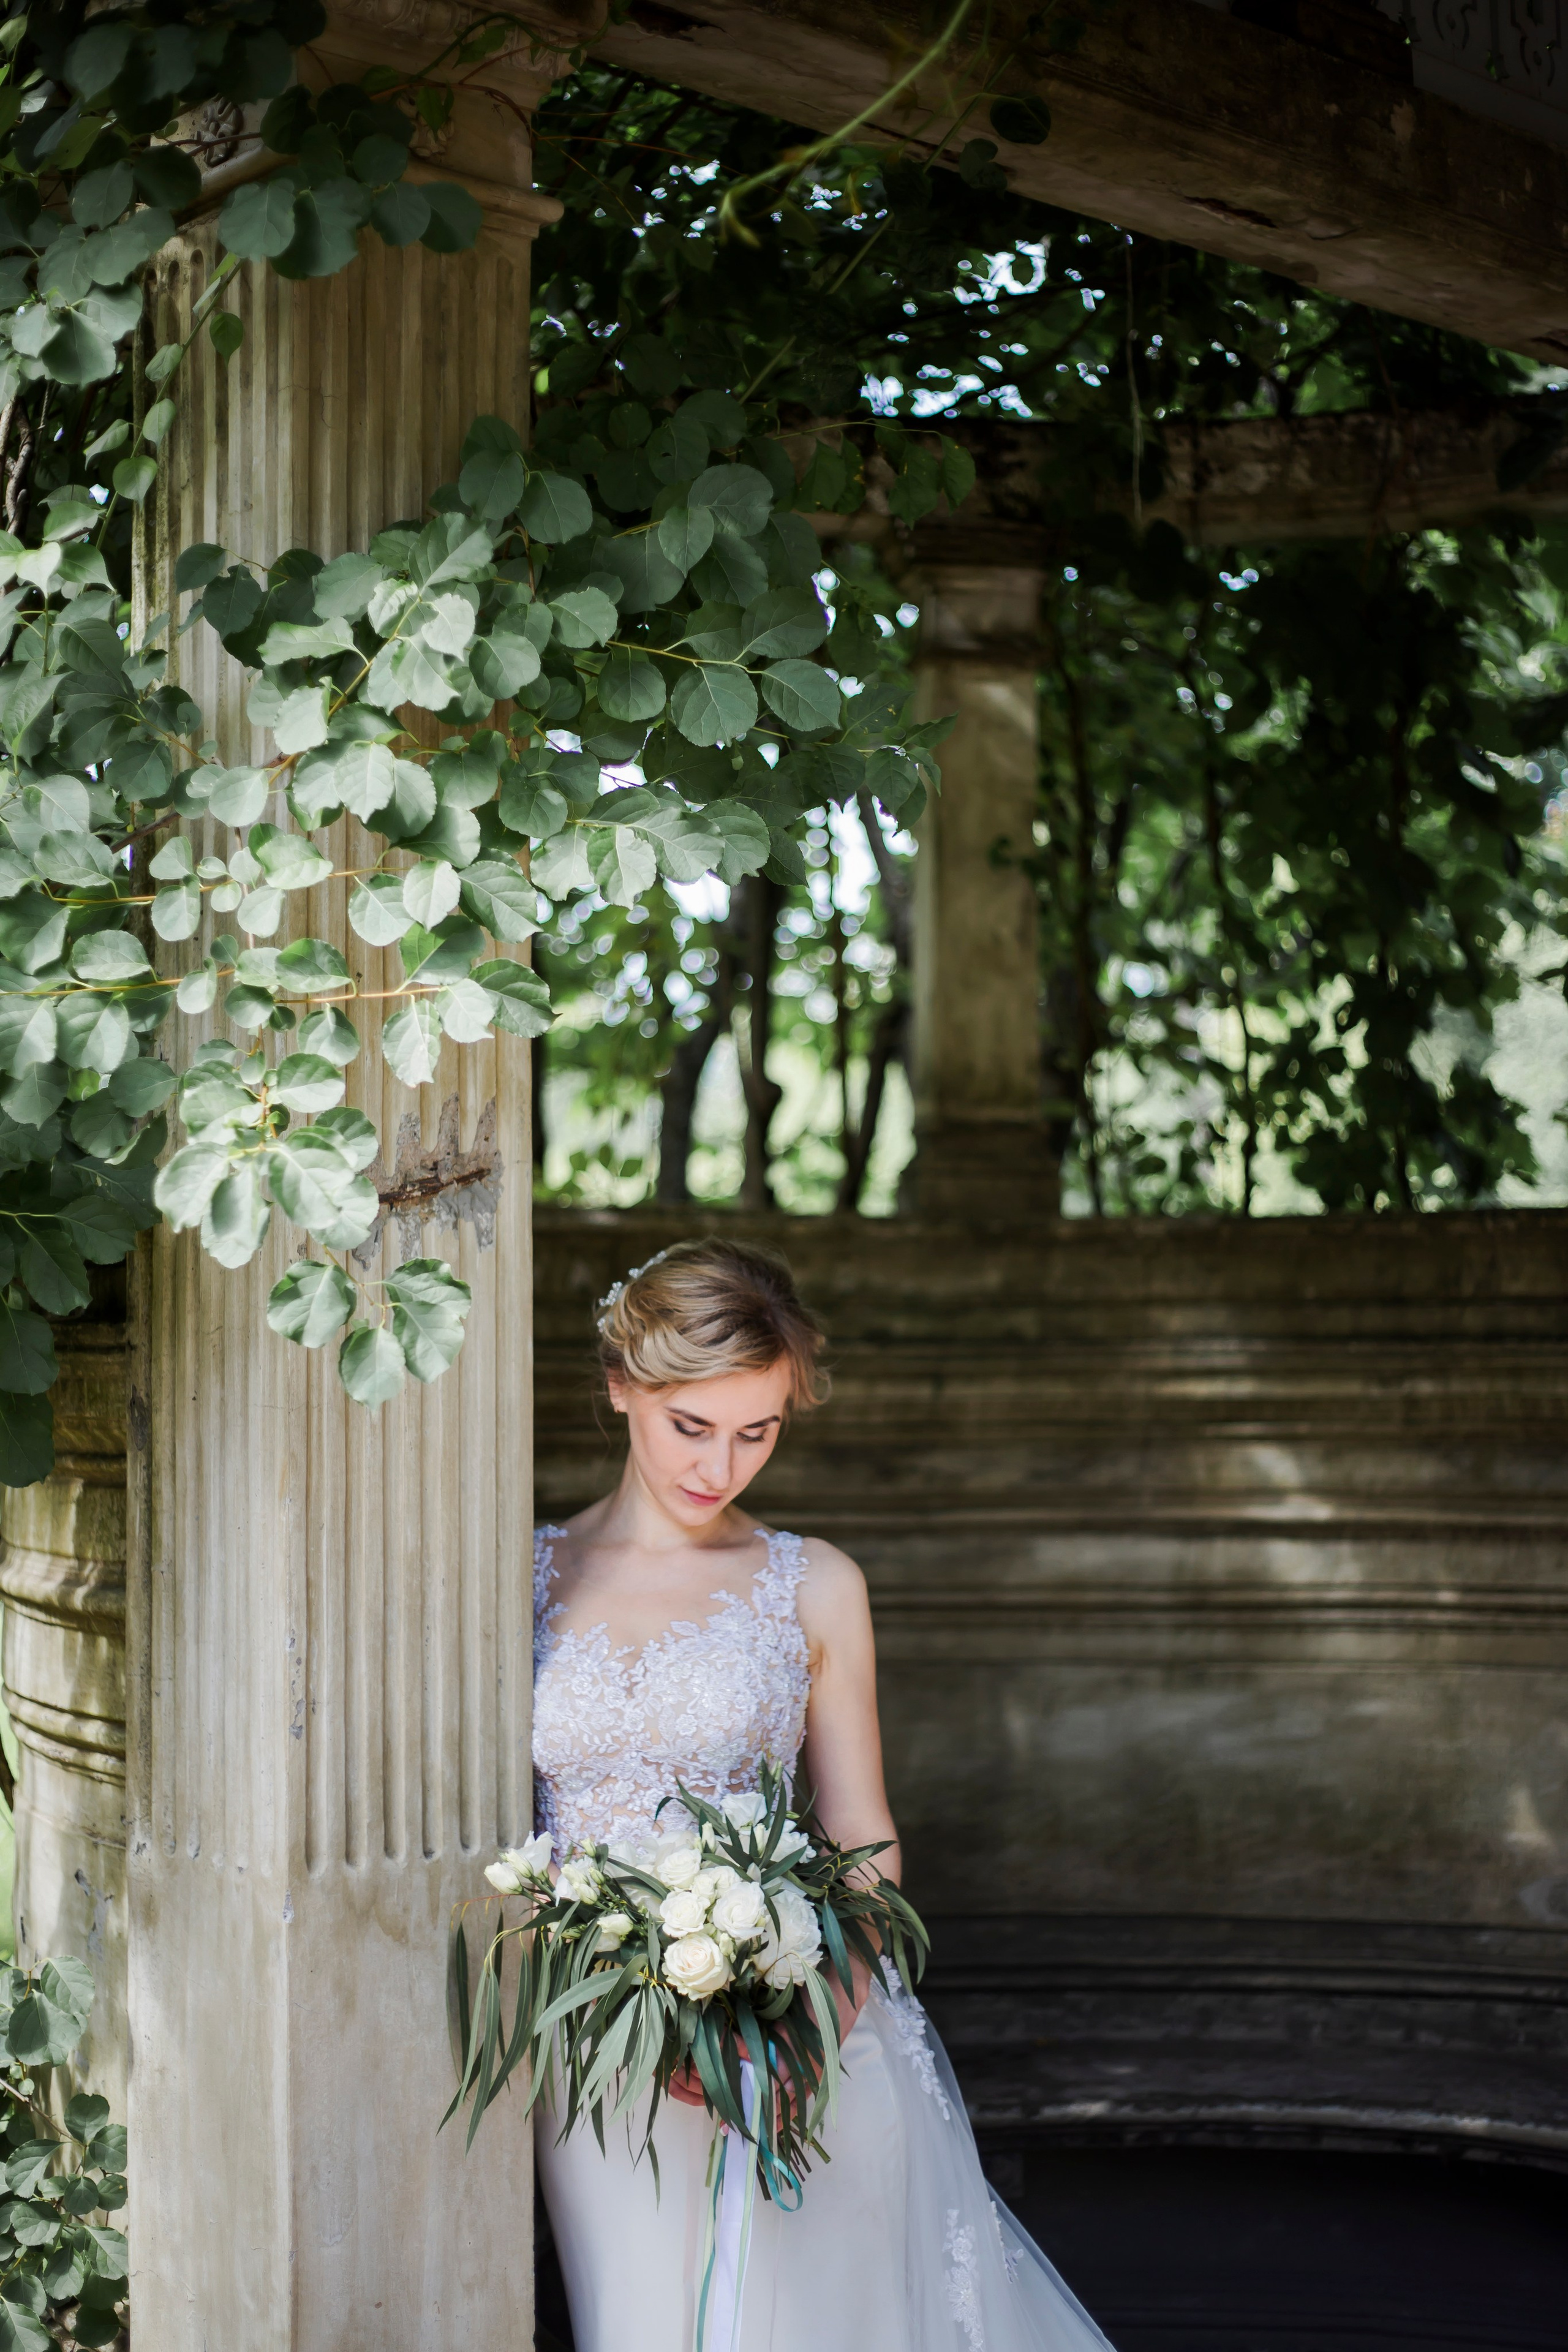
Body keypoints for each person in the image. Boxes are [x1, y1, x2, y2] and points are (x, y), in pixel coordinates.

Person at [533, 1236, 1115, 2351]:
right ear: (620, 1387)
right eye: (690, 1427)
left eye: (758, 1432)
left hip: (797, 2031)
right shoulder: (523, 1576)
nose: (721, 1466)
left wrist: (799, 2037)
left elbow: (860, 1837)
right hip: (595, 2055)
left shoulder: (819, 1584)